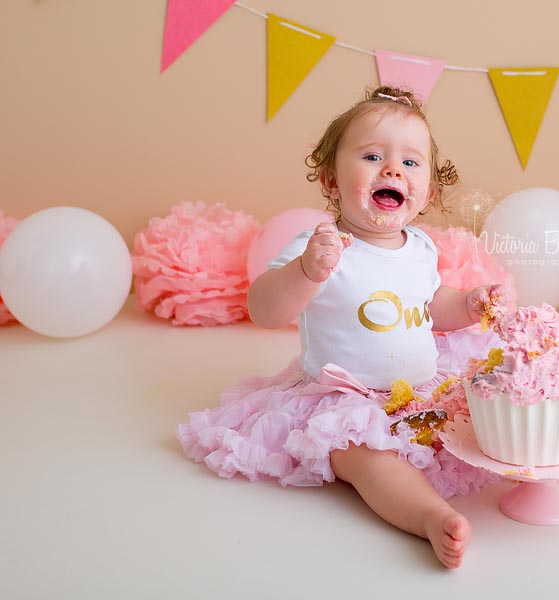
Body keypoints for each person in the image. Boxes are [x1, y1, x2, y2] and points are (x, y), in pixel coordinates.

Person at [178, 86, 506, 569]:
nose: (393, 170)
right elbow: (263, 309)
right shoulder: (324, 246)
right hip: (344, 397)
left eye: (411, 163)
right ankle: (429, 516)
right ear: (331, 180)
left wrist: (469, 303)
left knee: (470, 422)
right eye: (373, 156)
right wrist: (305, 272)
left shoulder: (420, 248)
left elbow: (432, 308)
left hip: (417, 390)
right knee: (363, 457)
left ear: (429, 192)